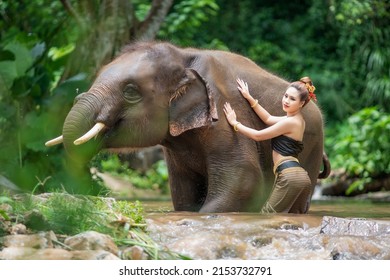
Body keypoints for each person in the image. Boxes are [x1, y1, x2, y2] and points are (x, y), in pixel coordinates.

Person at [223, 77, 317, 213]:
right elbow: (268, 118)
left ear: (302, 103)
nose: (286, 101)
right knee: (293, 220)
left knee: (267, 216)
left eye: (292, 99)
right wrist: (249, 97)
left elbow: (258, 135)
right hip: (301, 178)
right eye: (285, 96)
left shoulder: (290, 122)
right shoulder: (295, 119)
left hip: (289, 176)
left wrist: (235, 123)